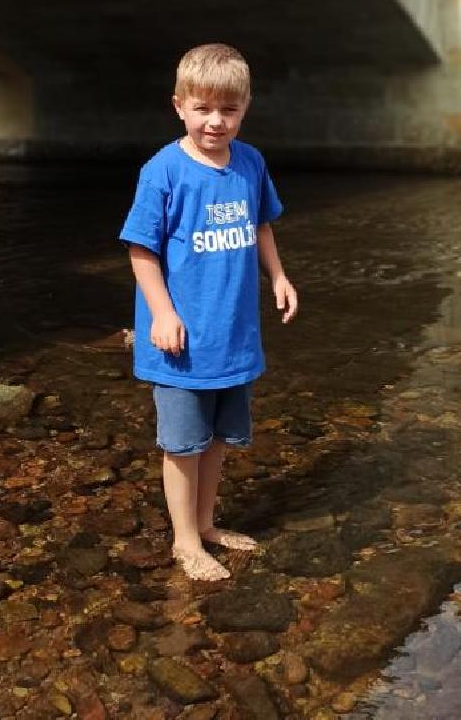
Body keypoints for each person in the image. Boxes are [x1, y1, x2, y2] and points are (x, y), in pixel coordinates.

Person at [119, 42, 298, 581]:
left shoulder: (250, 162)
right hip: (180, 343)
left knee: (219, 439)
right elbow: (141, 251)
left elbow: (261, 224)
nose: (215, 122)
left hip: (233, 336)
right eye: (203, 110)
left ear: (245, 108)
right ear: (179, 106)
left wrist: (279, 276)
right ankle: (184, 542)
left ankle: (206, 523)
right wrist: (162, 315)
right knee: (182, 444)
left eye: (229, 111)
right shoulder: (163, 172)